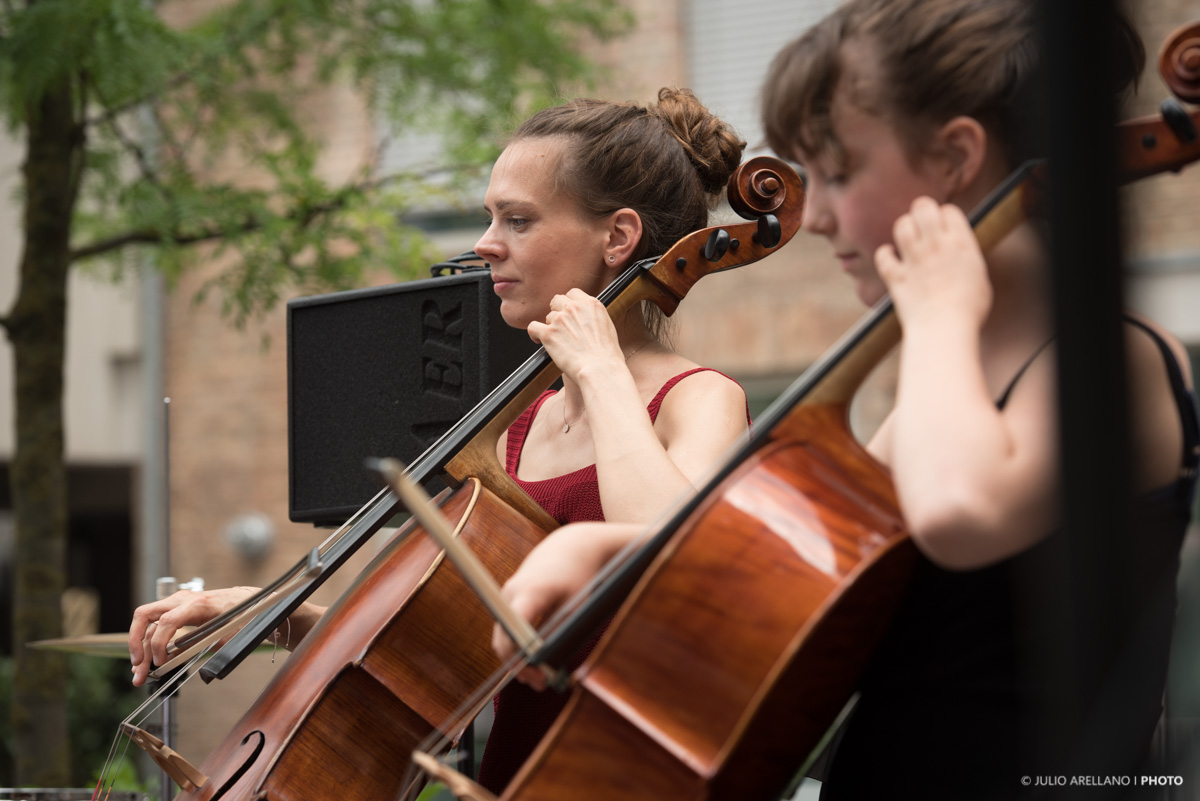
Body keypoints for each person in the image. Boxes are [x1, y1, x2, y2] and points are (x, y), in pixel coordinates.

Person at [492, 1, 1199, 798]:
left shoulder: (1114, 357)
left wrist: (935, 315)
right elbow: (797, 593)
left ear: (955, 157)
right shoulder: (947, 372)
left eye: (838, 173)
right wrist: (606, 554)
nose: (819, 216)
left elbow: (961, 513)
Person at [127, 86, 752, 794]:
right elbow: (436, 653)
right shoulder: (516, 429)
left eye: (518, 219)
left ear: (618, 238)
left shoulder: (701, 398)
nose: (486, 244)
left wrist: (601, 368)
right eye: (490, 217)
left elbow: (674, 570)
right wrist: (262, 611)